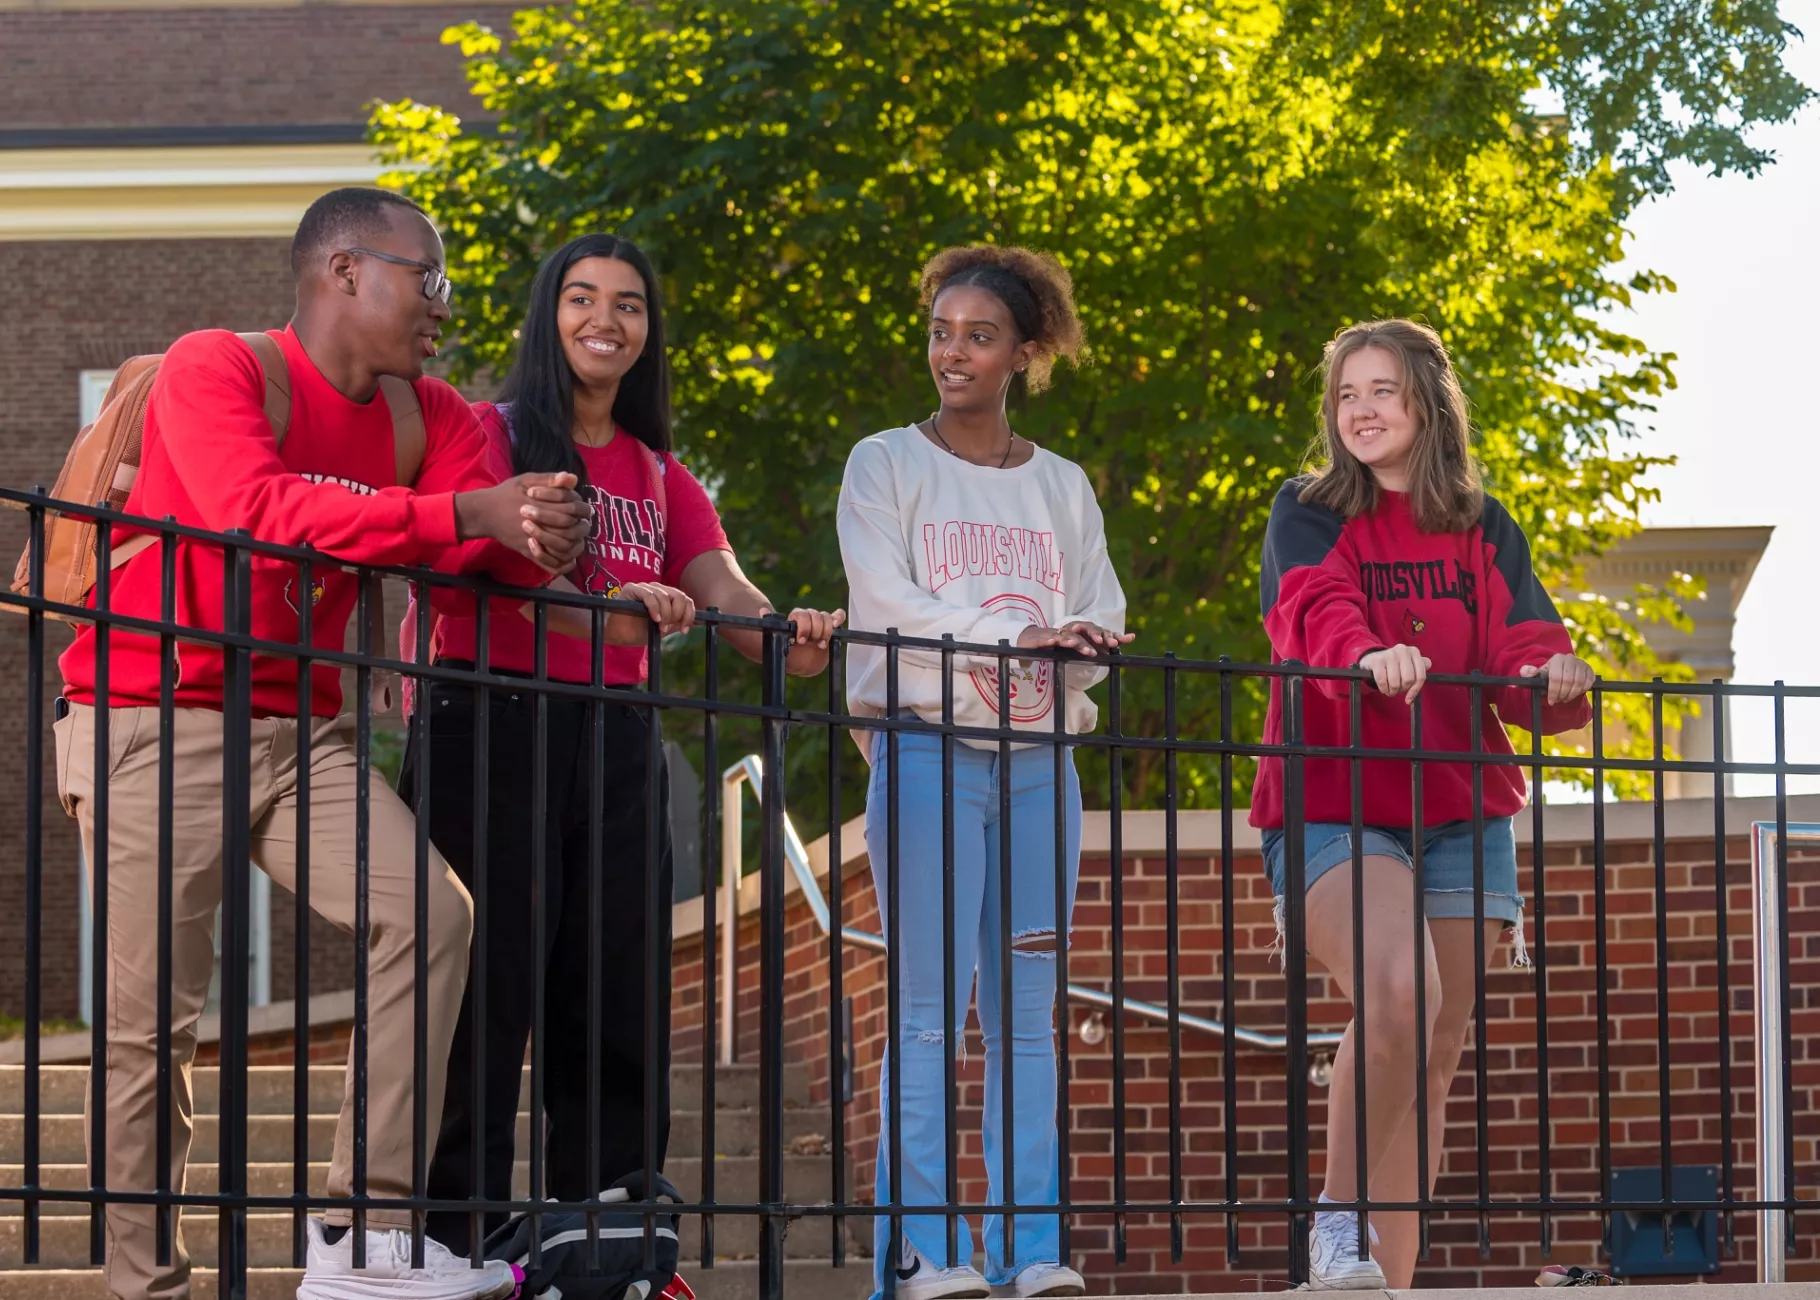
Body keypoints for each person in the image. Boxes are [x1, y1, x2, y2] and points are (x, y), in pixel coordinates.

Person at [53, 186, 594, 1300]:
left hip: (303, 734)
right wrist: (472, 517)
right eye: (427, 276)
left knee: (432, 912)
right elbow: (255, 512)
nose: (444, 303)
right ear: (345, 270)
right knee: (155, 1026)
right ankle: (145, 1284)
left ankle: (362, 1238)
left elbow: (465, 550)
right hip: (158, 720)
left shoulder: (427, 415)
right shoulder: (220, 368)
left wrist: (544, 529)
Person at [400, 232, 845, 1257]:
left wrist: (791, 635)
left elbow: (720, 585)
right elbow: (484, 567)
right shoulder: (491, 430)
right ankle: (450, 1231)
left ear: (648, 333)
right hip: (491, 719)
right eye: (583, 298)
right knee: (483, 979)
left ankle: (605, 1222)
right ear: (547, 316)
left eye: (630, 305)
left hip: (614, 738)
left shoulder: (654, 469)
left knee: (612, 981)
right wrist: (607, 606)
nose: (607, 319)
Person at [1250, 319, 1594, 1289]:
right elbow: (1312, 612)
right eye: (1345, 394)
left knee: (1432, 1062)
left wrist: (1549, 672)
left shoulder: (1482, 524)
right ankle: (1335, 1228)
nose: (1359, 410)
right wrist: (1362, 656)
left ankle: (1383, 1284)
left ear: (1425, 405)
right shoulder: (1307, 507)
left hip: (1457, 806)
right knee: (1400, 991)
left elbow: (1518, 651)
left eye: (1381, 391)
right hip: (1332, 797)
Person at [837, 245, 1130, 1300]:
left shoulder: (1061, 485)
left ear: (1023, 352)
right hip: (923, 750)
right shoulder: (884, 463)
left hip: (1040, 766)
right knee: (924, 1008)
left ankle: (1028, 1249)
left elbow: (1101, 610)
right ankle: (919, 1254)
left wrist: (1075, 642)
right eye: (938, 332)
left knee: (1026, 1012)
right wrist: (1012, 637)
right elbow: (889, 603)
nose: (950, 352)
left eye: (976, 335)